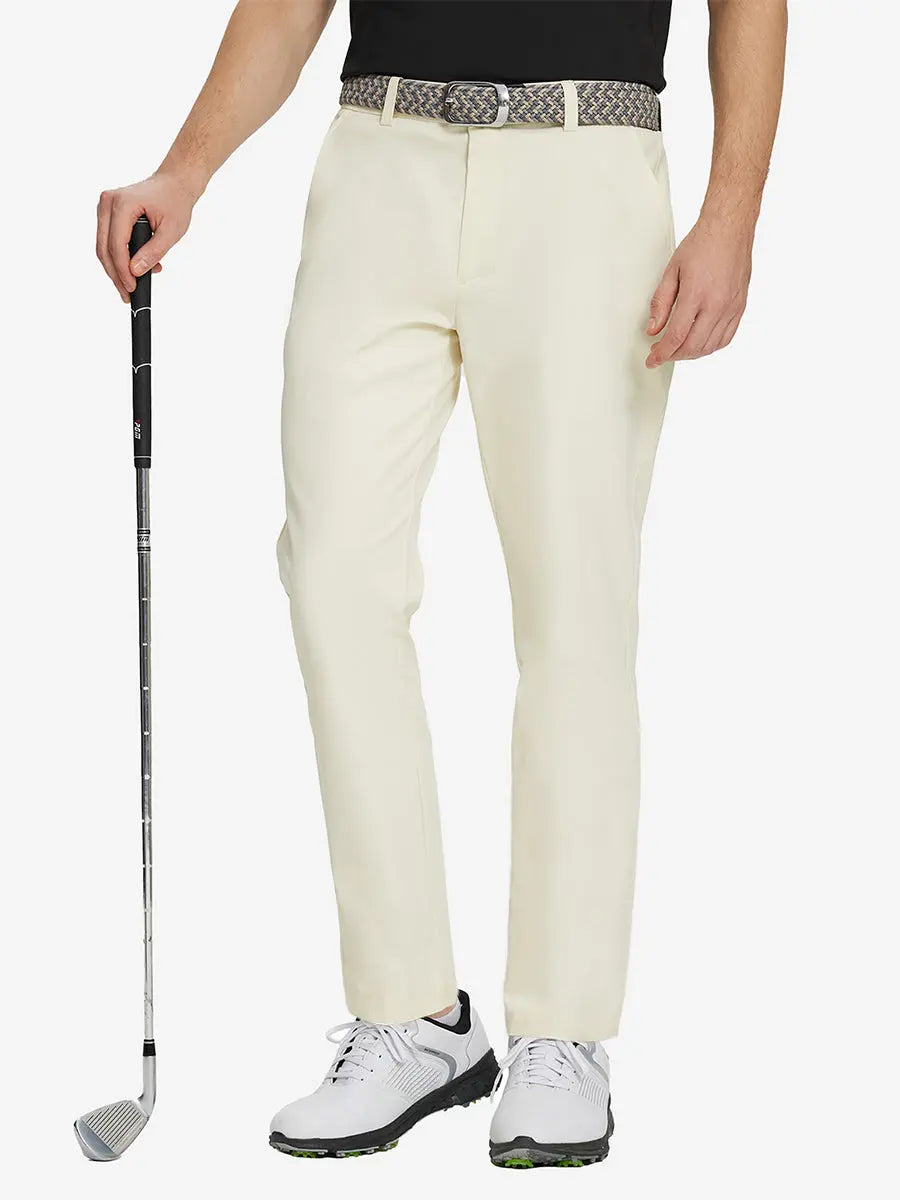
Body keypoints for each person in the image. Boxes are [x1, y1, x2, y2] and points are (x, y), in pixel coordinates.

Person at [96, 0, 787, 1169]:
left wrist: (731, 215)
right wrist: (188, 166)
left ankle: (562, 1034)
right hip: (379, 161)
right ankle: (412, 1016)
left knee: (575, 603)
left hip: (585, 160)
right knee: (332, 577)